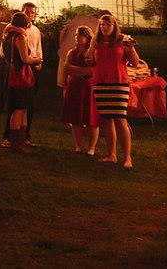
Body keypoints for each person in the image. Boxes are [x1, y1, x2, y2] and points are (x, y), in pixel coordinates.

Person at [87, 13, 140, 169]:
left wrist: (131, 48)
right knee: (106, 119)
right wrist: (89, 57)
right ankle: (112, 155)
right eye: (102, 24)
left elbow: (135, 62)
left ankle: (127, 157)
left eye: (107, 24)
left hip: (118, 83)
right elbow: (91, 60)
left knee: (120, 119)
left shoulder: (122, 40)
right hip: (101, 83)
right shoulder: (95, 41)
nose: (104, 27)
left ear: (114, 26)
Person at [2, 2, 42, 146]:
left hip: (21, 72)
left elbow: (37, 47)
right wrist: (37, 60)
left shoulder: (9, 34)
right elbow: (25, 58)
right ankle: (14, 139)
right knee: (18, 109)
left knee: (24, 108)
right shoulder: (19, 37)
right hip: (20, 74)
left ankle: (22, 138)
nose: (30, 17)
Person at [60, 26, 100, 155]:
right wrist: (79, 71)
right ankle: (78, 145)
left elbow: (93, 71)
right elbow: (66, 69)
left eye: (80, 35)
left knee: (91, 118)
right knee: (75, 117)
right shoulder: (72, 52)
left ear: (87, 37)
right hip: (74, 86)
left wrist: (76, 70)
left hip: (88, 86)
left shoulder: (93, 52)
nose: (77, 37)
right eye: (76, 35)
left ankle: (91, 147)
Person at [56, 10, 105, 89]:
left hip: (66, 51)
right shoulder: (99, 25)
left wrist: (62, 46)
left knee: (63, 82)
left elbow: (62, 32)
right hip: (83, 52)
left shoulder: (78, 18)